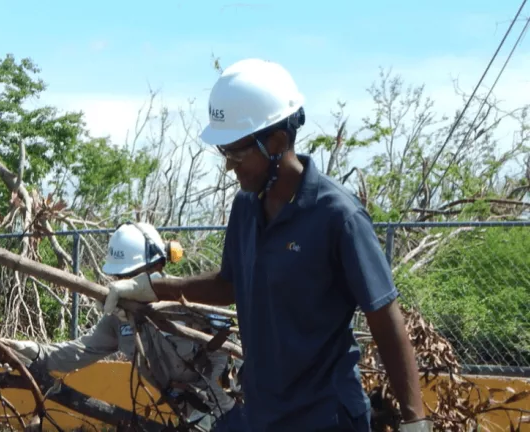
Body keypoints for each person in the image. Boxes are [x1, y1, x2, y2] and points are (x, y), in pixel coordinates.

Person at [103, 59, 433, 432]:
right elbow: (228, 283)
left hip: (325, 415)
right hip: (264, 410)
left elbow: (385, 318)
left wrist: (414, 420)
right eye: (224, 153)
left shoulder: (338, 217)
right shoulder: (246, 207)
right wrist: (149, 287)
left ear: (276, 142)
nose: (229, 166)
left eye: (238, 154)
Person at [4, 222, 246, 431]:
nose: (124, 283)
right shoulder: (118, 322)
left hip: (236, 410)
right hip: (189, 414)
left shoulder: (188, 303)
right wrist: (29, 351)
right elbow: (75, 353)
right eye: (119, 277)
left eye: (132, 275)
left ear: (157, 267)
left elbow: (228, 353)